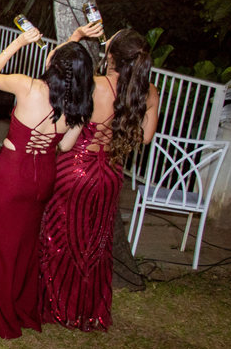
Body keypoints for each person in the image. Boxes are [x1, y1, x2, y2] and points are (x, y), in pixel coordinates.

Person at [0, 29, 93, 338]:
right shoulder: (79, 107)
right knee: (24, 244)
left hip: (12, 174)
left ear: (55, 65)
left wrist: (19, 42)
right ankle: (18, 304)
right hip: (43, 176)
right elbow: (65, 146)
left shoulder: (29, 86)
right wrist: (75, 37)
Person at [39, 25, 158, 331]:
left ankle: (57, 304)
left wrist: (75, 39)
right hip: (110, 173)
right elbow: (145, 137)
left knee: (59, 236)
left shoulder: (93, 84)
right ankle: (87, 308)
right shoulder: (148, 91)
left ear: (111, 57)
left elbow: (53, 68)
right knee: (95, 243)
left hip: (74, 169)